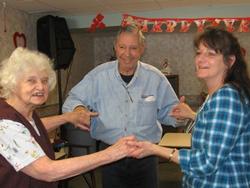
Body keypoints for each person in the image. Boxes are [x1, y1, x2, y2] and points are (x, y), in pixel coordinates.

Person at [129, 27, 250, 188]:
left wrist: (156, 149)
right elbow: (218, 130)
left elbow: (206, 162)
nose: (200, 59)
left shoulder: (226, 97)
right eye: (199, 53)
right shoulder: (217, 95)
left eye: (211, 54)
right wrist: (193, 115)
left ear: (230, 61)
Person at [0, 47, 136, 188]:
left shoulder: (24, 112)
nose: (40, 87)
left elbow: (31, 128)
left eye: (44, 80)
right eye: (31, 81)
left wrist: (68, 117)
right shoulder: (4, 122)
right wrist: (111, 153)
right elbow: (47, 171)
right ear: (13, 83)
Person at [62, 24, 179, 188]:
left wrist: (179, 114)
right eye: (122, 47)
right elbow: (72, 99)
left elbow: (170, 112)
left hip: (146, 155)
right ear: (115, 47)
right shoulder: (98, 76)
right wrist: (79, 109)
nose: (127, 54)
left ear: (142, 49)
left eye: (133, 48)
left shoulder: (155, 78)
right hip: (110, 155)